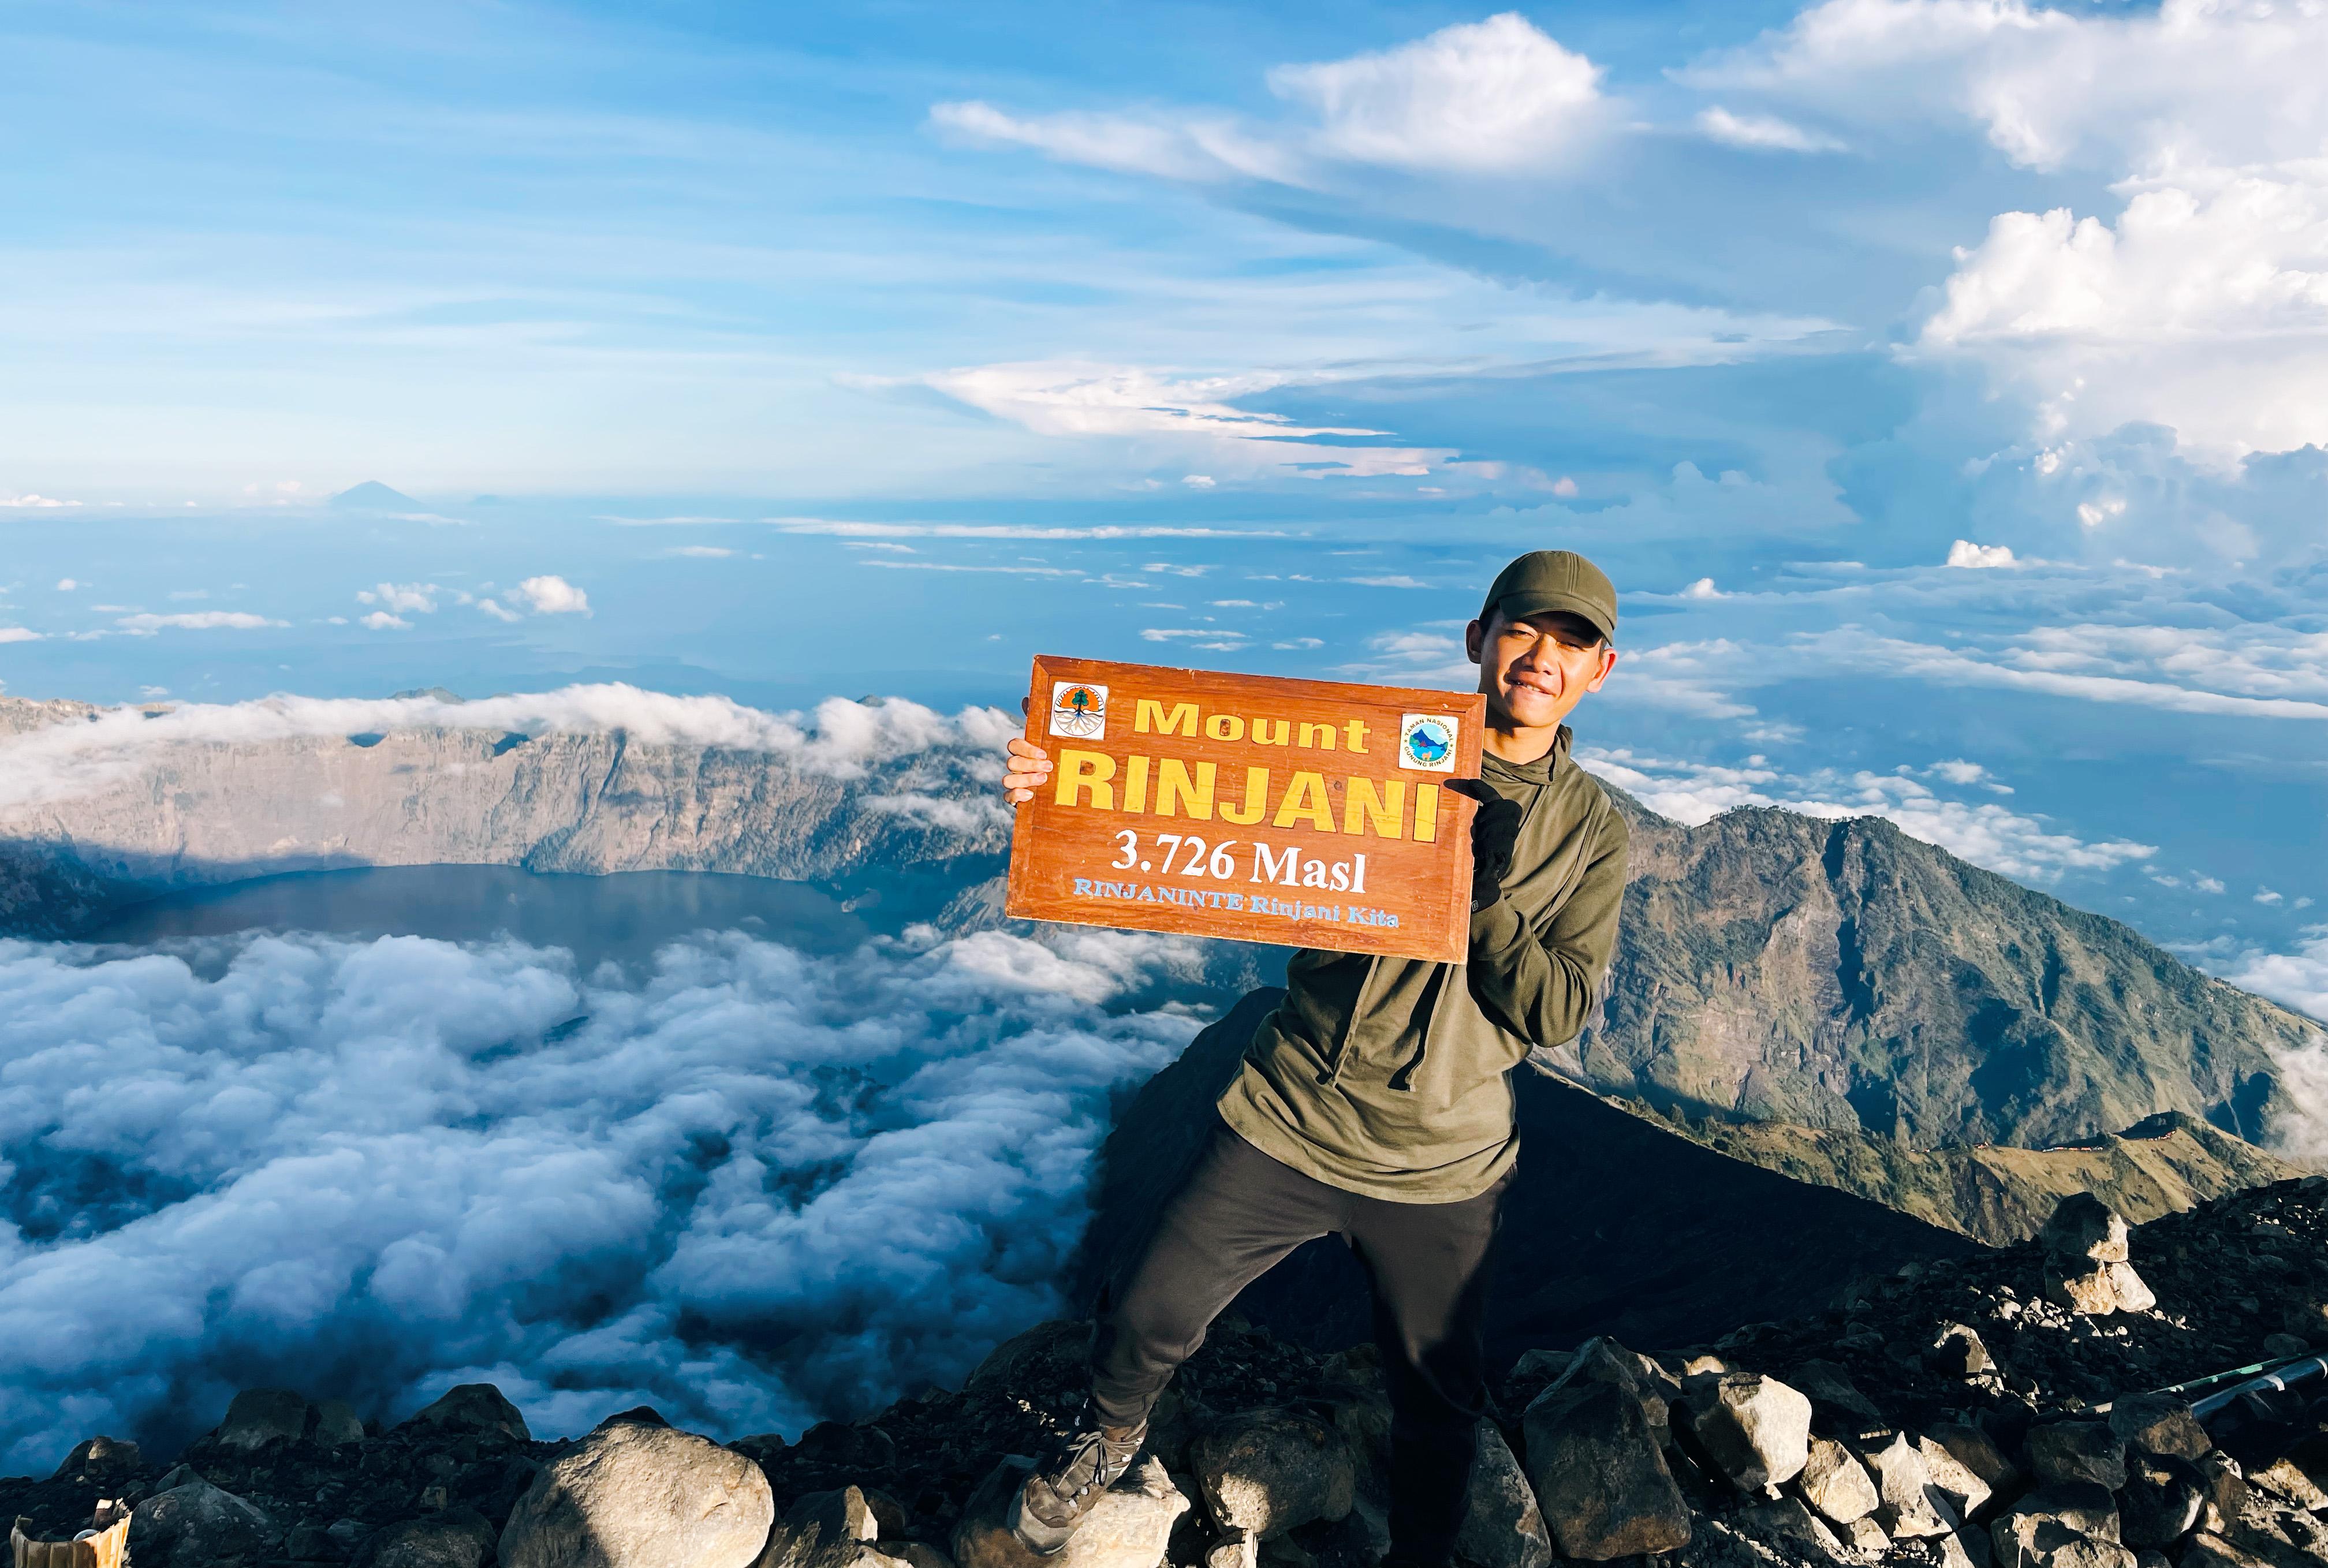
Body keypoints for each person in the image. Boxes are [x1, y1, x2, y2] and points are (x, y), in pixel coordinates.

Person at [995, 550, 1629, 1567]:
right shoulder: (1364, 751)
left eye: (1573, 642)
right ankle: (1109, 1438)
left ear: (1602, 670)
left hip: (1443, 1158)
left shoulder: (1595, 833)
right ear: (1479, 638)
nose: (1541, 657)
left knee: (1438, 1398)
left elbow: (1556, 1008)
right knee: (1146, 1310)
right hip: (1291, 1115)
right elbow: (1198, 798)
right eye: (1522, 629)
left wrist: (1483, 892)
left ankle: (1419, 1554)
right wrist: (1059, 777)